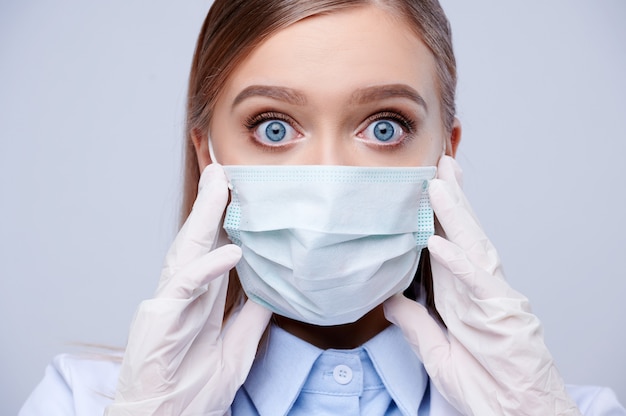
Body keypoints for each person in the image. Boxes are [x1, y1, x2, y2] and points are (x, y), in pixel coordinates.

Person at [19, 0, 626, 415]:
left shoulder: (573, 411)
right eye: (275, 128)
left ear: (447, 153)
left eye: (385, 127)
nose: (329, 181)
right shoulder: (82, 401)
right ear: (208, 157)